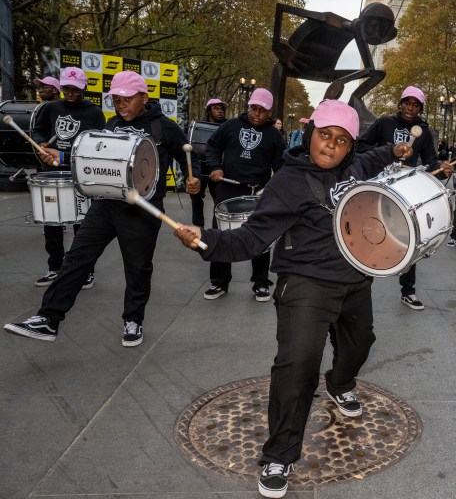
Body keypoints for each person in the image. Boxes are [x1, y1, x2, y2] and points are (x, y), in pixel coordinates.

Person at [173, 99, 414, 499]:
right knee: (297, 366)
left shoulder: (355, 167)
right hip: (306, 284)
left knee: (360, 345)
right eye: (325, 136)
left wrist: (396, 150)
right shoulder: (288, 181)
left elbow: (375, 157)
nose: (331, 146)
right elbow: (251, 238)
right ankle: (280, 454)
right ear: (310, 134)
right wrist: (205, 239)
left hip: (356, 279)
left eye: (341, 140)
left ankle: (340, 383)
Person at [4, 71, 201, 346]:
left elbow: (188, 157)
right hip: (106, 205)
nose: (121, 105)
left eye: (127, 100)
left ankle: (133, 320)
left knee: (137, 269)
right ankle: (49, 319)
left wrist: (195, 178)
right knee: (76, 260)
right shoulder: (111, 124)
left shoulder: (163, 127)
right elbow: (93, 157)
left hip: (143, 210)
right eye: (116, 100)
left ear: (143, 97)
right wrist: (61, 156)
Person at [357, 86, 454, 310]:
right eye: (407, 103)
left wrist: (441, 166)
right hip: (380, 184)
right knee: (369, 230)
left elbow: (430, 160)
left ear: (420, 109)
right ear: (400, 104)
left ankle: (408, 291)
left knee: (410, 235)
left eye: (415, 105)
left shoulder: (423, 131)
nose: (410, 108)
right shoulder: (384, 123)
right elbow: (362, 145)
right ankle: (360, 287)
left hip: (405, 188)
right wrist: (388, 152)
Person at [203, 87, 286, 302]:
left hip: (258, 191)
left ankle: (261, 282)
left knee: (260, 236)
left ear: (269, 112)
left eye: (262, 110)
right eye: (253, 108)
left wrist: (275, 187)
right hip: (228, 188)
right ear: (248, 107)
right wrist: (214, 167)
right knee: (222, 235)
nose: (257, 113)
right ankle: (219, 281)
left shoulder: (274, 136)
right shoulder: (230, 126)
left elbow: (281, 166)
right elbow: (212, 146)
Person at [31, 67, 106, 289]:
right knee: (51, 222)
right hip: (51, 170)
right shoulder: (51, 107)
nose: (71, 94)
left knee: (82, 226)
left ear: (84, 89)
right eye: (66, 89)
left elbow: (99, 144)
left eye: (75, 90)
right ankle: (55, 267)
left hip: (79, 172)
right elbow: (38, 130)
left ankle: (86, 271)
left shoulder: (94, 112)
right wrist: (41, 145)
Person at [190, 98, 227, 227]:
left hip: (217, 169)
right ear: (209, 110)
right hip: (200, 167)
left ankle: (215, 230)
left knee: (219, 200)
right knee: (196, 197)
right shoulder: (200, 126)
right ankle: (198, 227)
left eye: (222, 109)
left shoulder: (227, 127)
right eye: (216, 108)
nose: (220, 111)